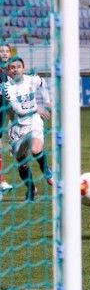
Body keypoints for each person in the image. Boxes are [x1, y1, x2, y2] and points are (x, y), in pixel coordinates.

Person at [2, 55, 52, 201]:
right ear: (8, 71)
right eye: (12, 68)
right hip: (17, 128)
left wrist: (48, 102)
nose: (15, 70)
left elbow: (43, 83)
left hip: (34, 122)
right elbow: (18, 110)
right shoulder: (7, 88)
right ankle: (31, 188)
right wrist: (37, 108)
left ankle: (48, 172)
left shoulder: (33, 79)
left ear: (23, 68)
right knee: (22, 163)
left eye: (18, 67)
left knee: (36, 149)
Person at [0, 43, 14, 192]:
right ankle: (2, 182)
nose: (4, 53)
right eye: (1, 51)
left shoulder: (12, 70)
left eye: (6, 51)